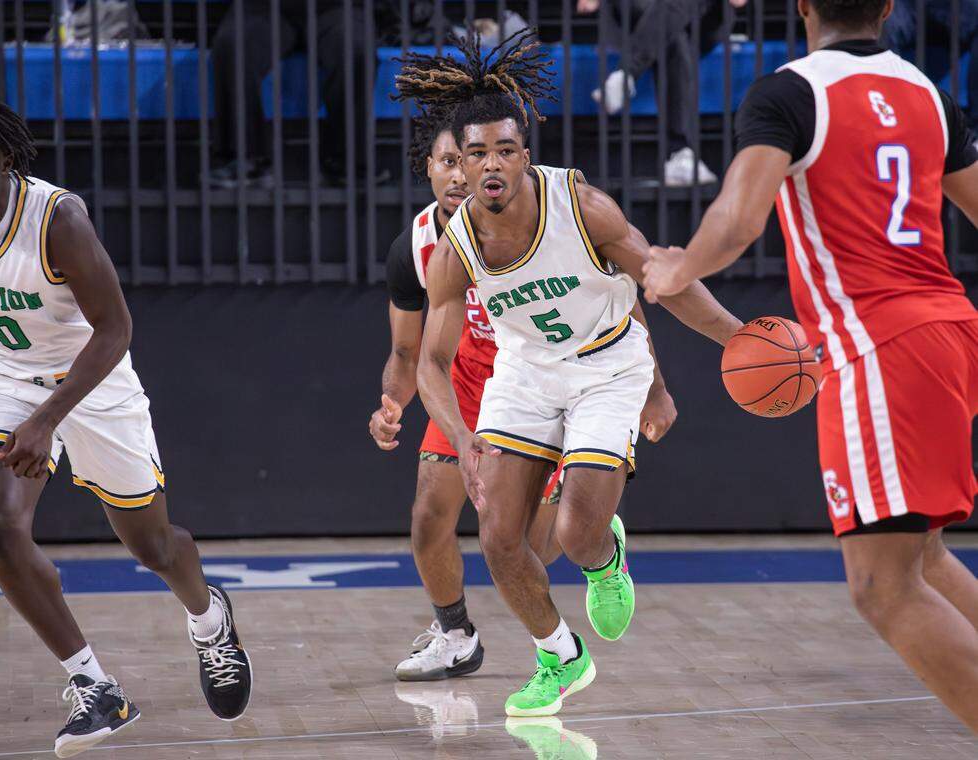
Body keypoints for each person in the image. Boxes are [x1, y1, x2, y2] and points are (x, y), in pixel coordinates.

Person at [0, 94, 253, 757]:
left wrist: (48, 421)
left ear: (6, 160)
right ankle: (97, 689)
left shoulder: (55, 218)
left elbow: (116, 330)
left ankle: (210, 620)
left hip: (92, 384)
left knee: (153, 547)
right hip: (2, 383)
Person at [642, 0, 978, 733]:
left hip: (877, 344)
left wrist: (675, 271)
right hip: (949, 331)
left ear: (801, 6)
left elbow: (737, 221)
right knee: (921, 555)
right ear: (889, 7)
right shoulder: (928, 93)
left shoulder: (790, 93)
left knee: (882, 590)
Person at [394, 29, 742, 716]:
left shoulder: (582, 207)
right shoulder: (454, 246)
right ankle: (560, 656)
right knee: (498, 537)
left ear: (525, 154)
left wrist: (732, 342)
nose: (489, 165)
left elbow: (657, 283)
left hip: (608, 365)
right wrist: (462, 439)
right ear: (458, 164)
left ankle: (604, 556)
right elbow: (431, 363)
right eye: (475, 154)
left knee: (577, 534)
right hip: (525, 372)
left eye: (504, 149)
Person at [371, 106, 677, 681]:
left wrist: (654, 383)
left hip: (559, 368)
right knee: (432, 516)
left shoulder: (554, 210)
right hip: (472, 383)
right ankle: (455, 634)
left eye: (493, 155)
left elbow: (616, 297)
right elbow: (411, 354)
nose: (465, 176)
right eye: (452, 164)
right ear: (436, 170)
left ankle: (597, 545)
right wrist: (393, 401)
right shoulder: (416, 250)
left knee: (546, 543)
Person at [208, 1, 392, 188]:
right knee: (232, 46)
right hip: (262, 9)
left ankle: (347, 160)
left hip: (337, 7)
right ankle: (244, 157)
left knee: (356, 51)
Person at [576, 0, 749, 186]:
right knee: (674, 40)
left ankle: (627, 74)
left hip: (704, 20)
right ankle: (679, 153)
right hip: (642, 15)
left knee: (673, 26)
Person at [882, 0, 978, 135]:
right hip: (905, 5)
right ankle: (889, 116)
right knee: (882, 22)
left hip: (956, 6)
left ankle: (975, 129)